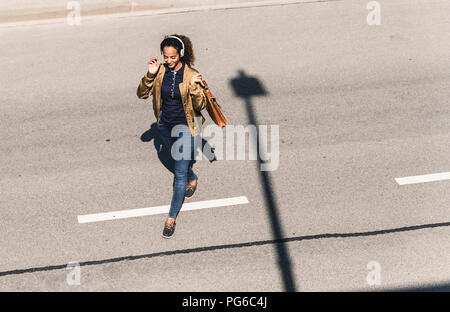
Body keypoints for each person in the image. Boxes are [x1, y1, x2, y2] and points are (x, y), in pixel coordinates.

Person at [136, 34, 207, 238]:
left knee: (179, 174)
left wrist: (195, 87)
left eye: (173, 57)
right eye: (165, 57)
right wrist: (150, 74)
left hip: (186, 128)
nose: (168, 61)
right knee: (178, 161)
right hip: (165, 126)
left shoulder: (192, 74)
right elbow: (141, 94)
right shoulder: (159, 72)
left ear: (181, 54)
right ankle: (193, 178)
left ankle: (171, 218)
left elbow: (201, 106)